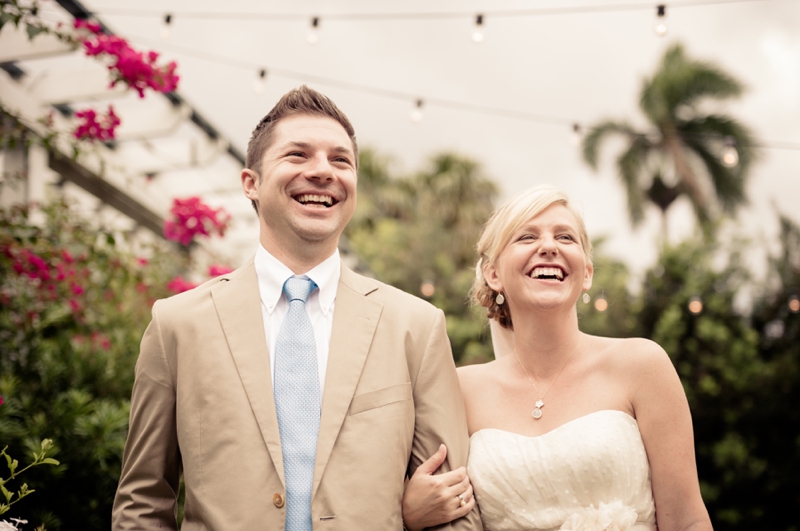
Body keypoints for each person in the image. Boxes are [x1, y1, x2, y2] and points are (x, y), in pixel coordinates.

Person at [112, 86, 482, 531]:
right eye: (298, 155)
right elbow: (142, 502)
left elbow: (452, 503)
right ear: (251, 182)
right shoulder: (175, 325)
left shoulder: (417, 326)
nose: (323, 171)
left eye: (340, 160)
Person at [404, 185, 713, 531]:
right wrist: (409, 514)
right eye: (526, 237)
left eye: (565, 237)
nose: (548, 247)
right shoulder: (459, 389)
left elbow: (687, 520)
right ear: (493, 275)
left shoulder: (642, 364)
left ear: (587, 273)